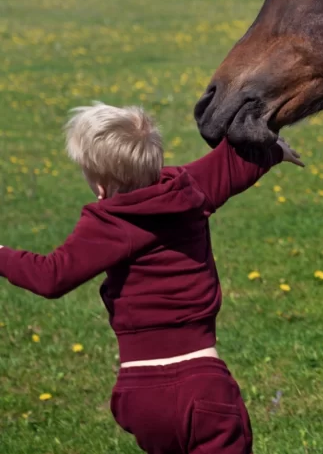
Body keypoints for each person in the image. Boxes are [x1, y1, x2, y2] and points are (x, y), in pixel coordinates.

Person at [0, 103, 303, 454]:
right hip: (203, 389)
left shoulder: (108, 222)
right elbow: (234, 165)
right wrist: (275, 152)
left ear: (100, 185)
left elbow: (51, 276)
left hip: (141, 396)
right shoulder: (188, 189)